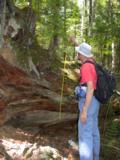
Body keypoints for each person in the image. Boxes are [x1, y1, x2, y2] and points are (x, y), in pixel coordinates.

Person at [70, 37, 100, 160]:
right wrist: (76, 42)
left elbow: (90, 88)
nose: (77, 53)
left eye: (78, 52)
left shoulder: (86, 67)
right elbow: (86, 52)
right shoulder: (92, 63)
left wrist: (84, 111)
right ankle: (95, 157)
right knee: (93, 132)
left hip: (89, 101)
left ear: (81, 54)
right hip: (96, 101)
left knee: (85, 135)